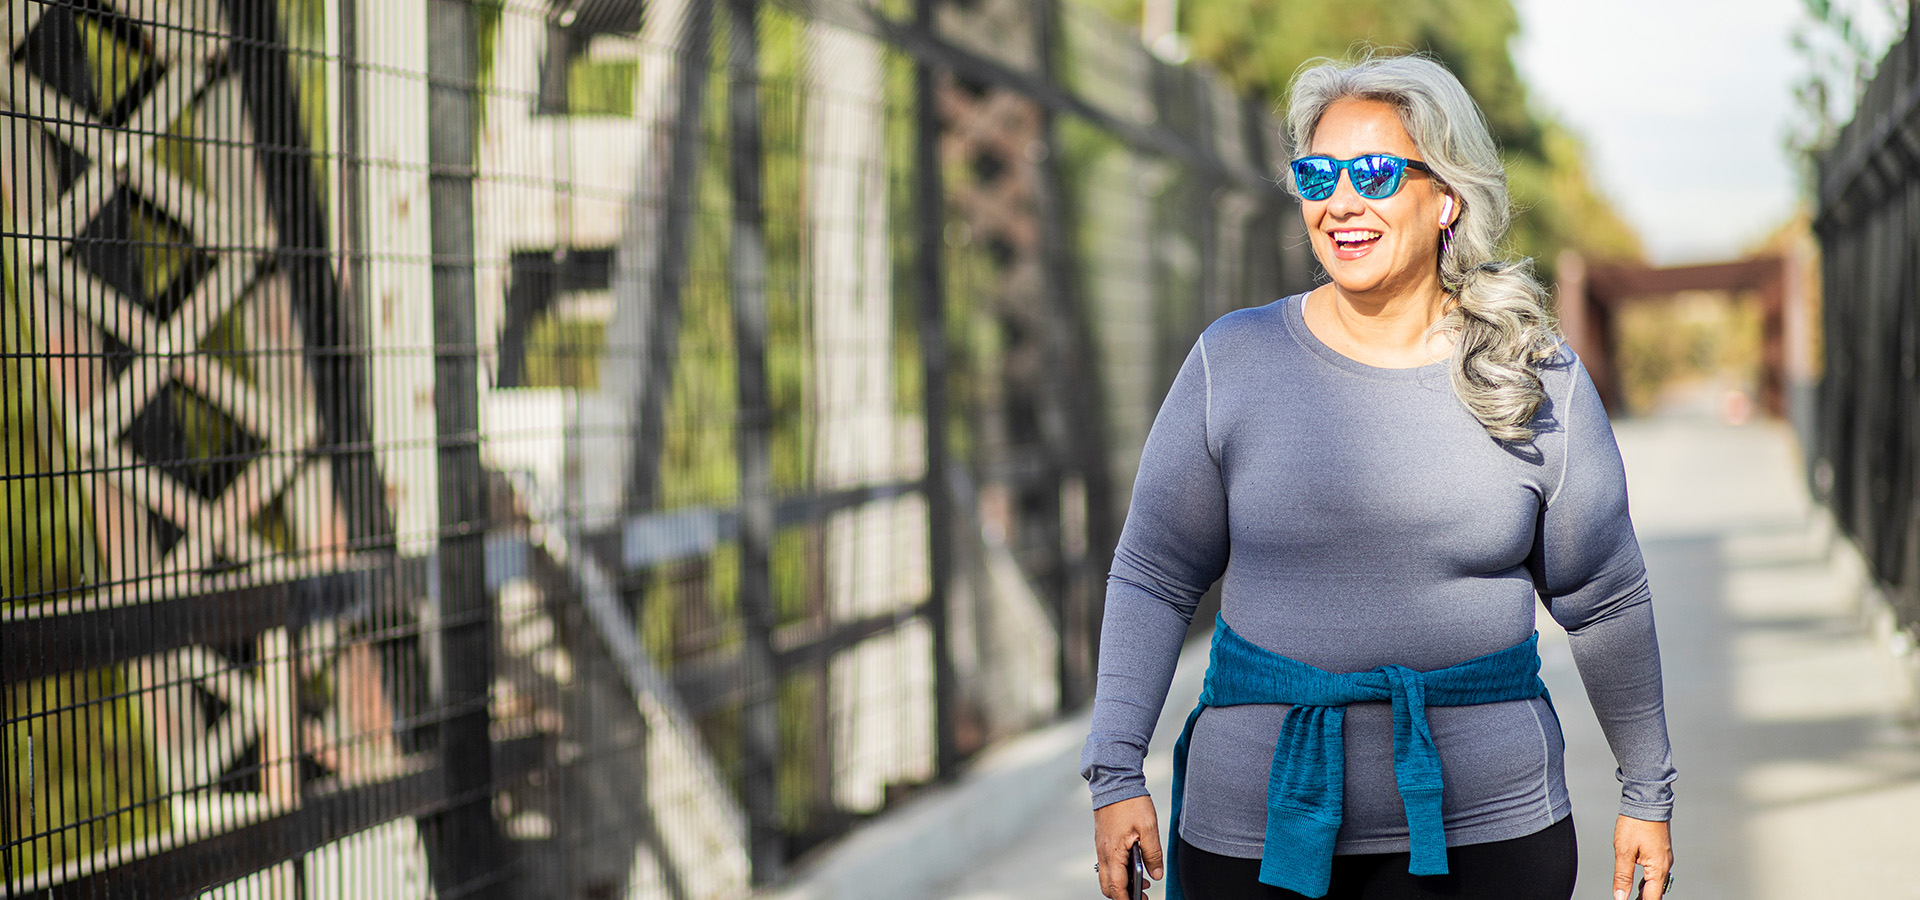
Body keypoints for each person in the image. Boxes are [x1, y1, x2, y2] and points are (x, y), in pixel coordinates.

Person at [1081, 54, 1676, 900]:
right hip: (1251, 834)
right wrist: (1116, 771)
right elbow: (1153, 572)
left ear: (1447, 198)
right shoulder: (1233, 360)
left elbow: (1606, 596)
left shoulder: (1534, 375)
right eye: (1318, 174)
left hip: (1490, 831)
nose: (1341, 202)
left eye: (1375, 172)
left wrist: (1646, 791)